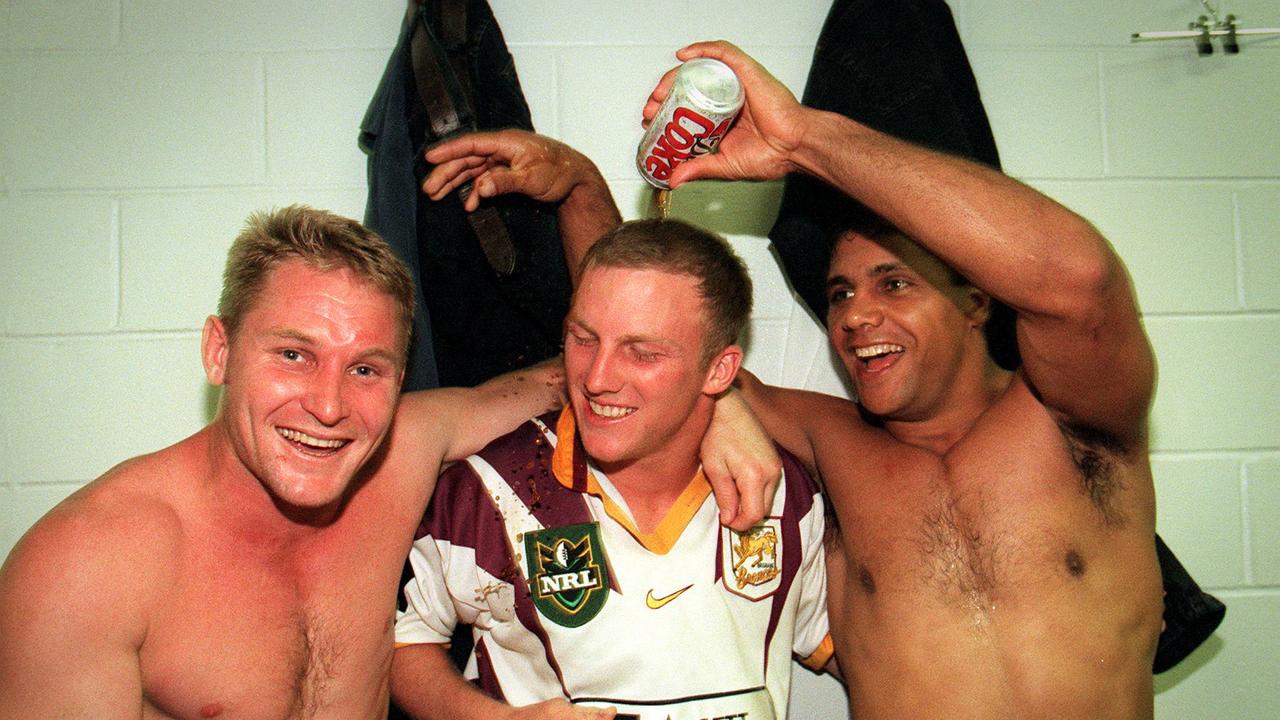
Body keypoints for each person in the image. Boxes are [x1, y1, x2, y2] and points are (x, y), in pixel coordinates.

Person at [0, 205, 776, 719]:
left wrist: (723, 403)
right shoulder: (88, 566)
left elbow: (584, 376)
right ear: (220, 350)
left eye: (367, 368)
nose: (330, 406)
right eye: (294, 355)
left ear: (402, 380)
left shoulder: (405, 449)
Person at [641, 42, 1163, 719]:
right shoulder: (831, 440)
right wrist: (720, 402)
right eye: (839, 294)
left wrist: (803, 138)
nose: (856, 315)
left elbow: (1080, 279)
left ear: (978, 303)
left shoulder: (1071, 415)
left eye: (894, 284)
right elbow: (640, 354)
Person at [389, 220, 833, 720]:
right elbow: (404, 642)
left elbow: (856, 643)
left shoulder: (782, 491)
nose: (597, 379)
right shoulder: (487, 490)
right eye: (582, 339)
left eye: (641, 353)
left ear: (720, 371)